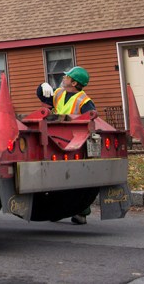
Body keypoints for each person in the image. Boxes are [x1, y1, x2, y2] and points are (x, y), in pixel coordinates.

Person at [37, 65, 95, 225]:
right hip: (56, 138)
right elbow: (44, 97)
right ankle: (59, 210)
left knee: (76, 177)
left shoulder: (85, 101)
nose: (63, 78)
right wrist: (41, 87)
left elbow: (90, 121)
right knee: (57, 176)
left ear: (74, 83)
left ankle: (82, 212)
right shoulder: (58, 93)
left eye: (67, 76)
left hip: (75, 141)